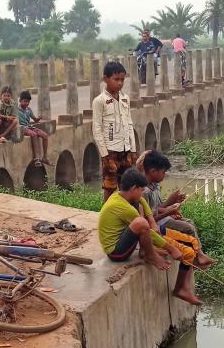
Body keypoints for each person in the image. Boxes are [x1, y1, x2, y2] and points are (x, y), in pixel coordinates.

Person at [98, 168, 204, 305]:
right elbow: (146, 230)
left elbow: (141, 202)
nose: (142, 193)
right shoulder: (123, 207)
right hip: (116, 252)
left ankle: (149, 253)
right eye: (141, 190)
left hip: (124, 240)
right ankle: (150, 254)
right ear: (134, 188)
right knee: (141, 223)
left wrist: (152, 220)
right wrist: (171, 248)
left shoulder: (120, 196)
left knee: (141, 210)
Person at [138, 150, 217, 268]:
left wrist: (172, 202)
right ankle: (196, 258)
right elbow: (147, 220)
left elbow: (156, 209)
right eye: (163, 172)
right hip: (155, 226)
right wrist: (168, 212)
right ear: (153, 171)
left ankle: (199, 255)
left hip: (160, 220)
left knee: (189, 222)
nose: (165, 175)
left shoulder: (153, 186)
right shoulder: (144, 191)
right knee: (188, 228)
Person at [92, 61, 136, 201]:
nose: (120, 83)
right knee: (109, 187)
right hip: (110, 150)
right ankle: (106, 218)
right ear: (105, 79)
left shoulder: (125, 98)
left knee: (127, 187)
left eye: (122, 80)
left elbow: (129, 123)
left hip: (126, 149)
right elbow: (97, 129)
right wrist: (105, 155)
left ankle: (121, 216)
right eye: (116, 79)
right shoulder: (100, 101)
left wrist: (133, 149)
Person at [17, 91, 50, 167]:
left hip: (29, 127)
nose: (26, 103)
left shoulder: (29, 109)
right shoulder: (17, 110)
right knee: (34, 135)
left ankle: (44, 157)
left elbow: (34, 119)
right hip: (22, 128)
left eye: (28, 102)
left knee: (45, 135)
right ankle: (37, 158)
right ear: (20, 101)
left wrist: (38, 118)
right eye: (25, 101)